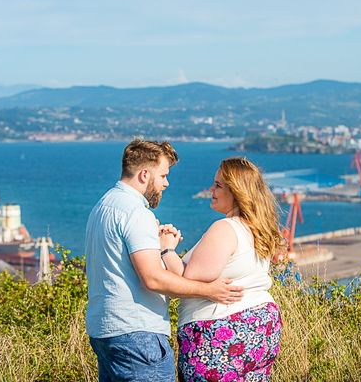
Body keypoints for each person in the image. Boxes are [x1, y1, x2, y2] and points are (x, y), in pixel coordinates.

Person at [85, 139, 244, 382]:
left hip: (104, 330)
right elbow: (152, 279)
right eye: (163, 176)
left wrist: (160, 248)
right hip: (137, 332)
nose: (166, 183)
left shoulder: (103, 207)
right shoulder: (137, 213)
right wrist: (209, 290)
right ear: (144, 174)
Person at [161, 157, 284, 382]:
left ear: (236, 191)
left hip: (222, 330)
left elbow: (187, 278)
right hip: (262, 326)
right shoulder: (258, 228)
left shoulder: (225, 228)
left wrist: (166, 249)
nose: (212, 190)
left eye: (218, 185)